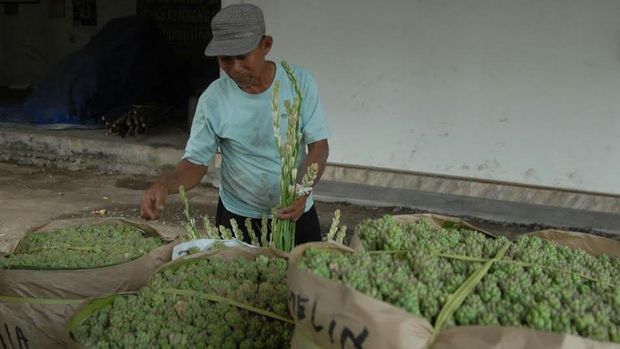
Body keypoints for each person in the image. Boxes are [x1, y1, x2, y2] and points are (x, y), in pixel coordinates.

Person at [140, 3, 330, 245]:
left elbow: (319, 147)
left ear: (266, 45)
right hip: (237, 219)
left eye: (242, 56)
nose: (235, 68)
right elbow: (195, 163)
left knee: (299, 281)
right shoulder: (213, 99)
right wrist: (163, 184)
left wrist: (301, 192)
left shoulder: (299, 83)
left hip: (296, 214)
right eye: (225, 59)